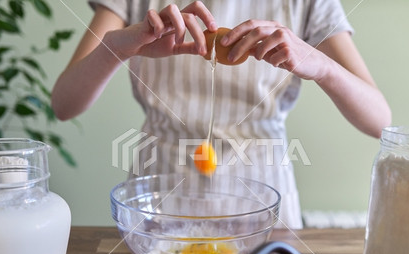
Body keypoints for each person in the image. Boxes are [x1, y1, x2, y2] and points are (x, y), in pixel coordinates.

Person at [51, 0, 391, 229]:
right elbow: (64, 104)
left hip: (265, 202)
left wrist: (323, 67)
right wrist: (118, 47)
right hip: (159, 200)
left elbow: (380, 121)